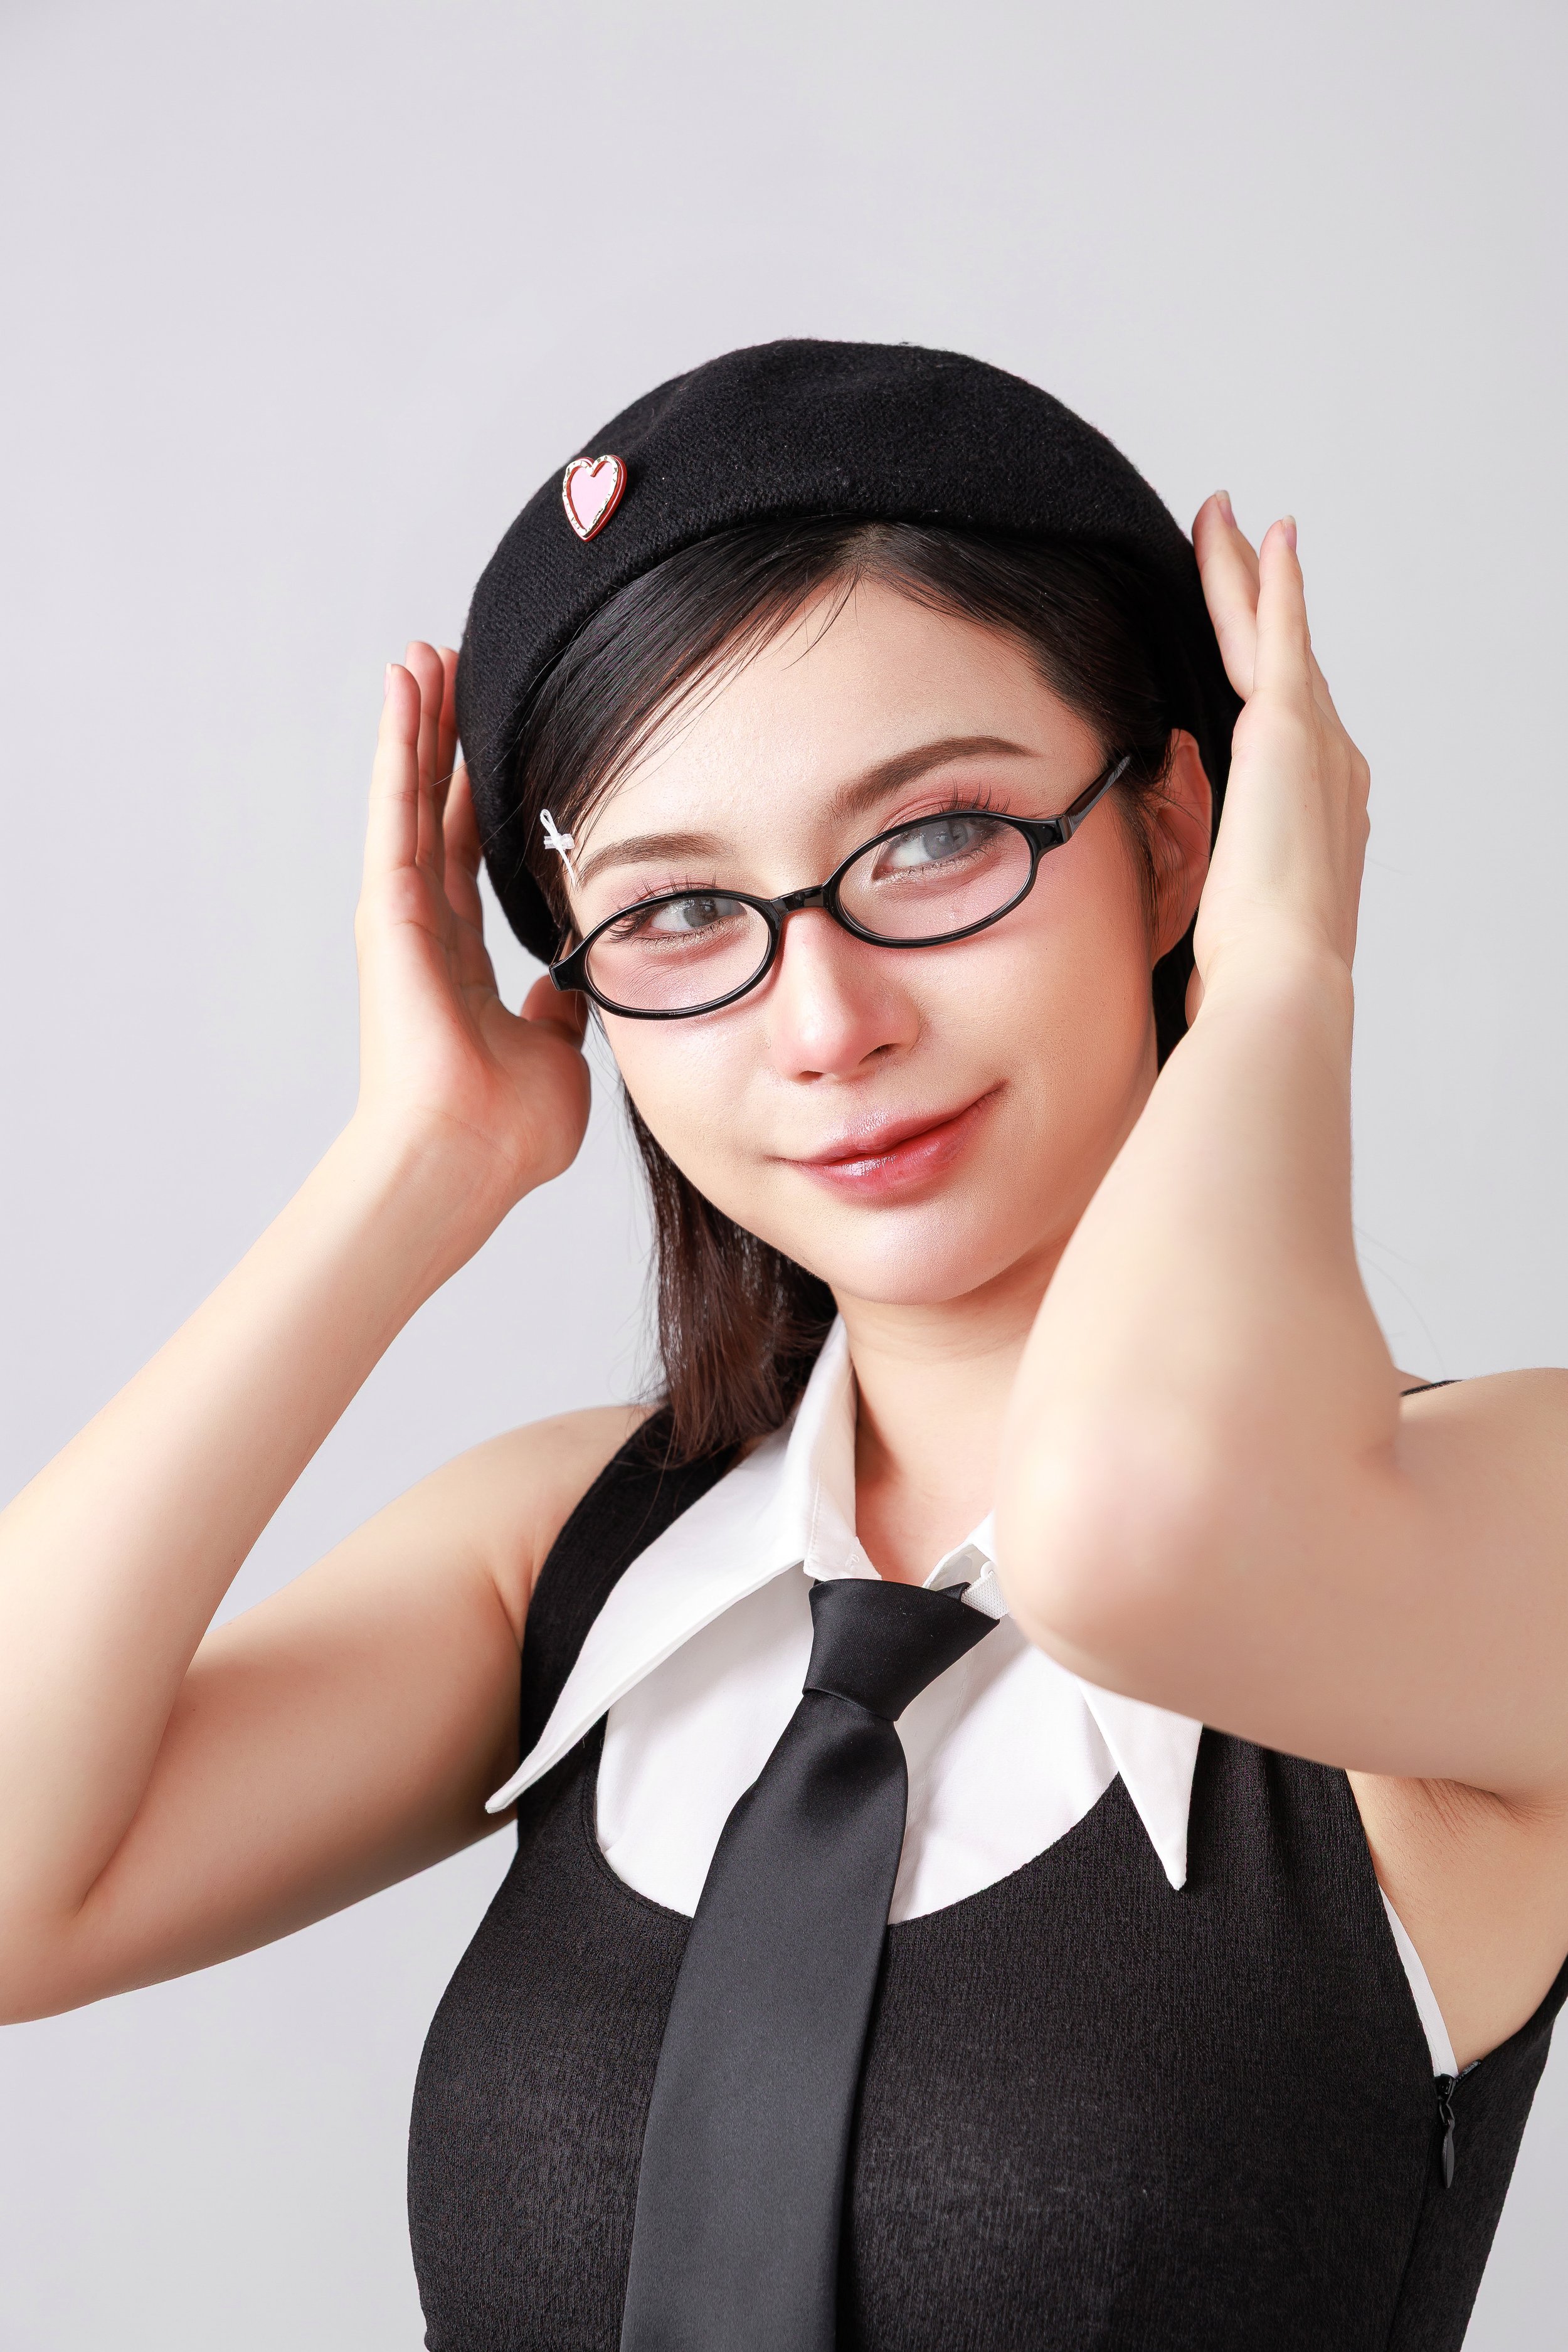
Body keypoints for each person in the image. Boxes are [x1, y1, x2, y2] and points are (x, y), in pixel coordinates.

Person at [2, 340, 1566, 2352]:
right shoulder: (580, 1553)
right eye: (672, 915)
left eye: (932, 841)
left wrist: (1283, 973)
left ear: (1177, 831)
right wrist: (418, 1170)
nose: (821, 1024)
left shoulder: (1493, 1526)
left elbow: (1130, 1538)